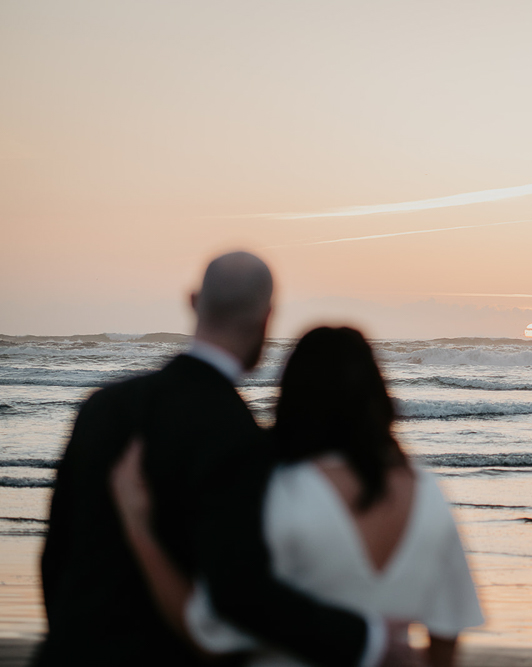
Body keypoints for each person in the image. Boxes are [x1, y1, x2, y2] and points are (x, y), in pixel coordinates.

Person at [36, 252, 404, 667]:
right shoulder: (239, 437)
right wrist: (365, 639)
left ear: (193, 301)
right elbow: (240, 591)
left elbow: (55, 557)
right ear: (267, 317)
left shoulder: (104, 406)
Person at [110, 326, 484, 667]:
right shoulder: (429, 495)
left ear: (292, 396)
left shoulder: (281, 494)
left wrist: (137, 523)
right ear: (377, 395)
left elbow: (206, 633)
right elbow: (445, 640)